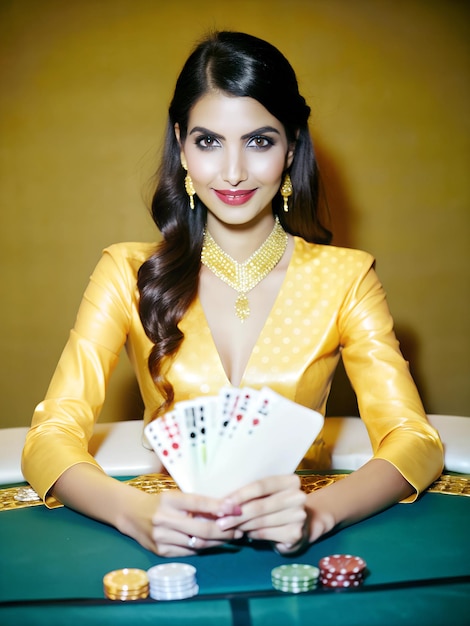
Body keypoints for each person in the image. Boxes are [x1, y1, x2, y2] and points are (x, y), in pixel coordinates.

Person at [22, 31, 443, 557]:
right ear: (181, 144)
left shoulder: (347, 278)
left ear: (291, 147)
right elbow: (48, 436)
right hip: (167, 537)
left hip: (299, 547)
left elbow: (415, 440)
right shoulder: (124, 271)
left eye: (259, 141)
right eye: (209, 141)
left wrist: (316, 513)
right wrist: (136, 514)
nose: (234, 171)